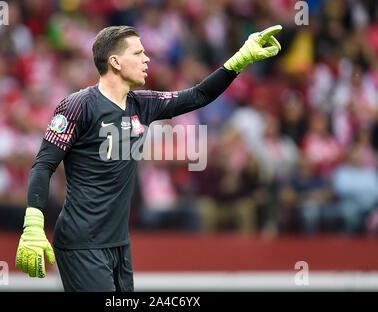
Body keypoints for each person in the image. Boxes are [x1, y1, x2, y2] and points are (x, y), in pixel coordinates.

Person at [15, 25, 282, 291]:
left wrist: (241, 58)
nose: (147, 59)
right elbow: (43, 165)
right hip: (82, 244)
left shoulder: (143, 104)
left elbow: (199, 95)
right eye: (138, 52)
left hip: (119, 244)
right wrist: (34, 225)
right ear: (115, 62)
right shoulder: (77, 105)